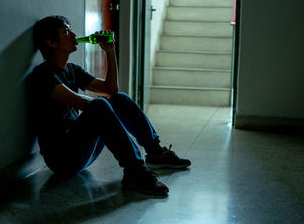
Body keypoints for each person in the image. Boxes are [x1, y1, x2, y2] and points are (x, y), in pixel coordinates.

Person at [30, 15, 191, 196]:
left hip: (83, 150)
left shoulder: (73, 70)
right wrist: (103, 107)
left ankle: (154, 151)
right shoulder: (42, 75)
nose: (74, 34)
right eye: (66, 31)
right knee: (99, 105)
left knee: (118, 98)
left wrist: (109, 51)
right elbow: (82, 103)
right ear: (51, 42)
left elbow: (110, 88)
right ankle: (135, 171)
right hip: (63, 158)